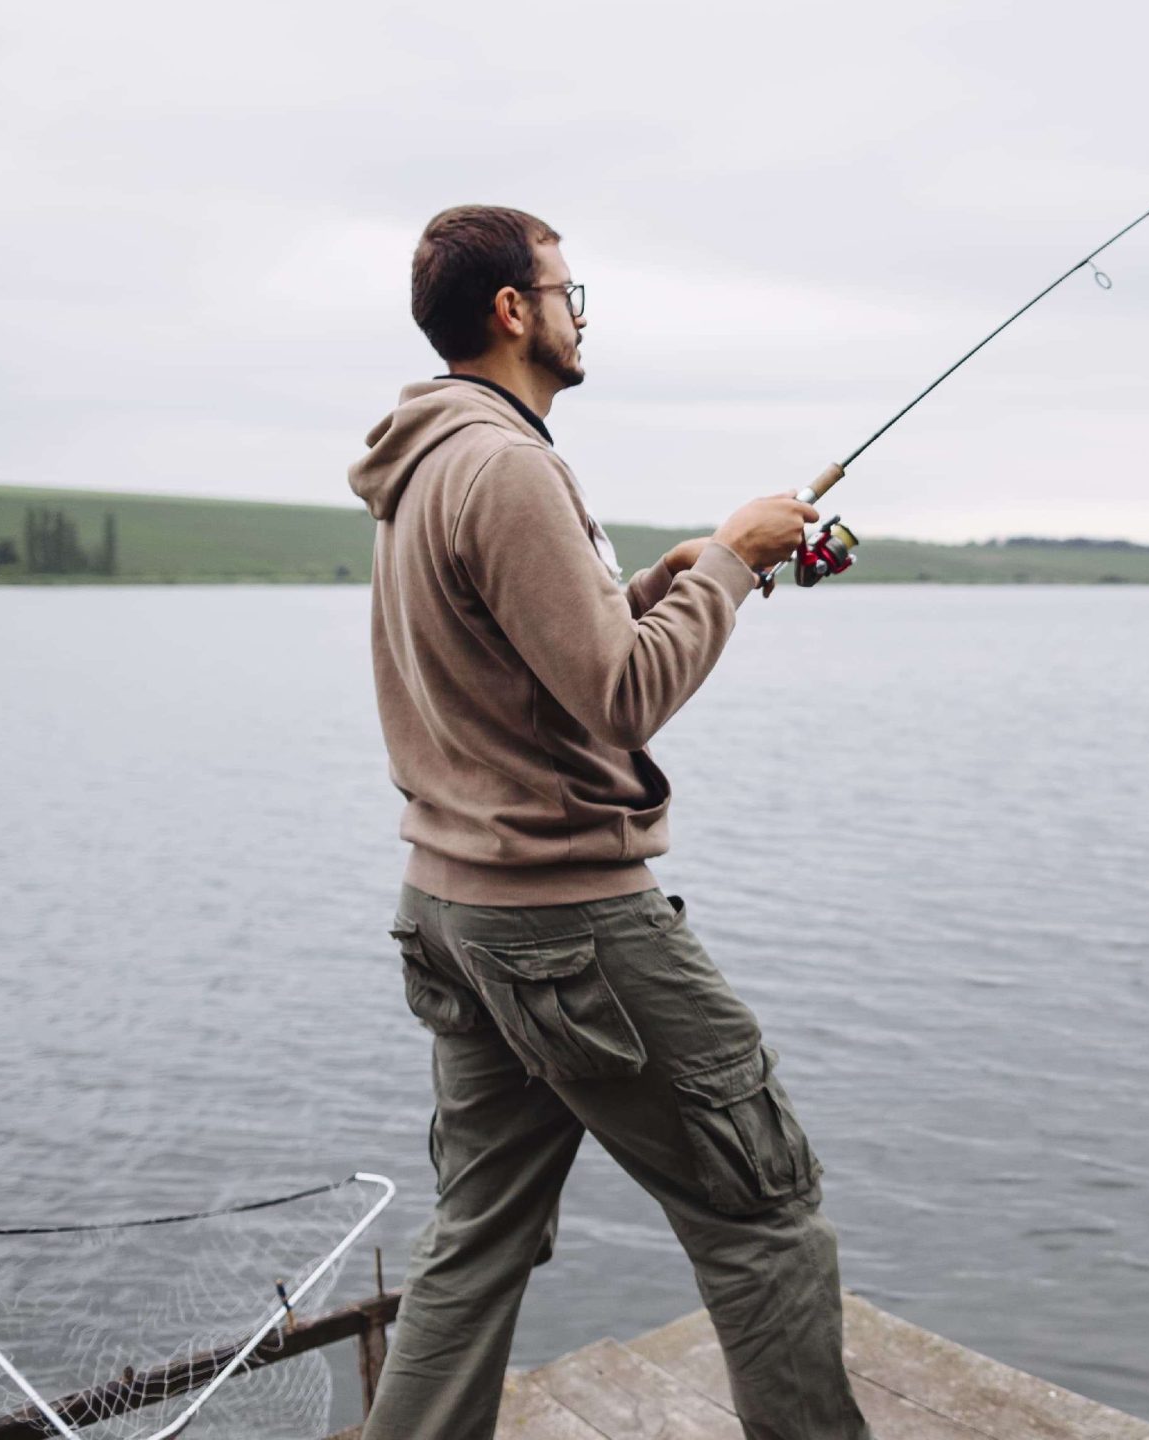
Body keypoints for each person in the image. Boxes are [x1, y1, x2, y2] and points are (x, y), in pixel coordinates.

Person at [346, 204, 870, 1440]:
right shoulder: (509, 464)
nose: (582, 316)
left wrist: (657, 586)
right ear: (513, 312)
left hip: (453, 912)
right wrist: (739, 562)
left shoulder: (425, 459)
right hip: (565, 925)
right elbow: (623, 695)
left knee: (472, 1240)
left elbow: (523, 660)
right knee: (766, 1210)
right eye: (569, 292)